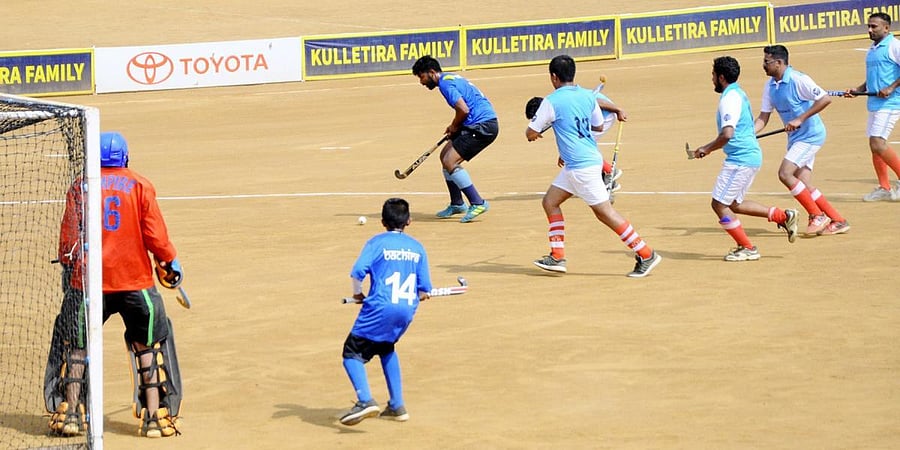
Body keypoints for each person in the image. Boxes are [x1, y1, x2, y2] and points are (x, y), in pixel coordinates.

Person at [51, 131, 183, 438]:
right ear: (125, 157)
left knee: (76, 347)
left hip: (88, 284)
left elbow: (69, 239)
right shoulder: (140, 184)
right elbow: (156, 237)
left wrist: (69, 267)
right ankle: (154, 417)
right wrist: (170, 263)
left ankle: (71, 413)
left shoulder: (79, 186)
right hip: (134, 281)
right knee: (146, 344)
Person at [525, 55, 661, 278]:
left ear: (553, 77)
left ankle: (646, 253)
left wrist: (548, 125)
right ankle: (557, 255)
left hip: (581, 166)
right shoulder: (587, 95)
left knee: (605, 213)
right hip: (580, 163)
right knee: (550, 202)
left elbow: (530, 133)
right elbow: (597, 126)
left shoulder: (551, 101)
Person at [690, 56, 799, 261]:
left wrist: (707, 148)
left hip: (740, 159)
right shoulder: (738, 92)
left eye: (713, 75)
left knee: (719, 204)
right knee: (734, 204)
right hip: (748, 156)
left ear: (721, 77)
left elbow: (727, 134)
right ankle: (783, 217)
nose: (712, 79)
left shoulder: (729, 99)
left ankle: (747, 247)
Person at [339, 198, 431, 426]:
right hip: (406, 310)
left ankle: (365, 400)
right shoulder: (417, 247)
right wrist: (422, 293)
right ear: (409, 220)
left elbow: (357, 272)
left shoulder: (377, 243)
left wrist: (359, 294)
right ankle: (397, 405)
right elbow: (424, 288)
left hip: (379, 307)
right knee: (385, 347)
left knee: (351, 353)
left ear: (382, 222)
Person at [754, 44, 850, 236]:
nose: (763, 65)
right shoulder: (770, 85)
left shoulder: (799, 79)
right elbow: (763, 117)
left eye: (766, 62)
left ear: (779, 63)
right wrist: (749, 134)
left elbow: (824, 99)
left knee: (785, 173)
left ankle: (816, 215)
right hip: (796, 138)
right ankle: (838, 220)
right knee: (803, 182)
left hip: (811, 135)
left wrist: (800, 118)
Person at [412, 55, 498, 223]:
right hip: (476, 122)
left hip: (482, 126)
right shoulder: (450, 77)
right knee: (444, 156)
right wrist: (456, 127)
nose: (421, 82)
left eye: (421, 77)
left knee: (450, 161)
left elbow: (463, 109)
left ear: (431, 72)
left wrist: (454, 126)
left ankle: (477, 202)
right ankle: (457, 203)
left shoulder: (445, 84)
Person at [847, 12, 900, 202]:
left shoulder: (894, 46)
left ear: (886, 28)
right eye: (868, 26)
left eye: (874, 26)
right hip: (874, 103)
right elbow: (872, 77)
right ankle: (884, 187)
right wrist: (859, 89)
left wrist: (891, 87)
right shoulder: (873, 48)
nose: (869, 30)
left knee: (878, 143)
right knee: (874, 146)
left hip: (890, 103)